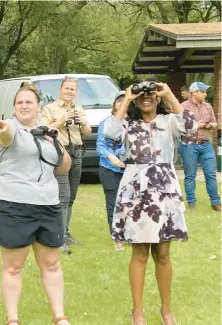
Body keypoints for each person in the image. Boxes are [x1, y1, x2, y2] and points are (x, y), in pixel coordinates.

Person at [104, 78, 197, 325]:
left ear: (157, 98)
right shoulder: (127, 123)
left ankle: (166, 310)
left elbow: (190, 125)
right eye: (142, 95)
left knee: (164, 253)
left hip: (164, 188)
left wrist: (168, 93)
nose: (147, 97)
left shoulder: (168, 121)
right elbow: (110, 133)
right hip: (136, 189)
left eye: (151, 94)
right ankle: (138, 312)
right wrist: (127, 98)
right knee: (140, 252)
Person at [0, 85, 72, 325]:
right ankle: (13, 320)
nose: (24, 106)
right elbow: (6, 136)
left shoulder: (46, 131)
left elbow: (64, 167)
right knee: (14, 267)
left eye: (29, 102)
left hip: (48, 205)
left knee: (52, 264)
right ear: (14, 107)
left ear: (39, 107)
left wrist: (54, 139)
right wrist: (2, 129)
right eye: (19, 102)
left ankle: (59, 317)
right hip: (14, 206)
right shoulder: (10, 127)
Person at [40, 76, 92, 254]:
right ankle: (58, 238)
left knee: (71, 197)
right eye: (67, 88)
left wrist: (82, 121)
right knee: (62, 197)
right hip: (60, 154)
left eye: (73, 89)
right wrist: (62, 119)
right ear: (60, 90)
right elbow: (44, 130)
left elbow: (88, 131)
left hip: (77, 152)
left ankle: (66, 233)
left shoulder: (79, 108)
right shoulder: (50, 108)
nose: (69, 91)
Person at [179, 81, 221, 211]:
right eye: (202, 91)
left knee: (211, 174)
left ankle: (216, 203)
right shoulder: (183, 106)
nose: (205, 94)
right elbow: (180, 126)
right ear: (194, 92)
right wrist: (197, 124)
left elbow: (215, 123)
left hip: (205, 144)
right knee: (190, 175)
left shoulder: (207, 106)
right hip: (188, 144)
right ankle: (191, 203)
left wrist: (210, 125)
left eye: (205, 91)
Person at [96, 91, 126, 251]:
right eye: (119, 101)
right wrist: (112, 157)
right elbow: (100, 146)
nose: (122, 104)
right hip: (109, 169)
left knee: (130, 204)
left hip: (130, 171)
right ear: (114, 104)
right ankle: (117, 238)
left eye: (125, 101)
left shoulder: (134, 123)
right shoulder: (106, 123)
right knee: (114, 204)